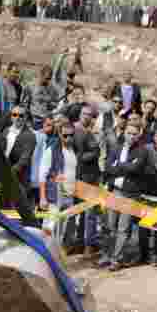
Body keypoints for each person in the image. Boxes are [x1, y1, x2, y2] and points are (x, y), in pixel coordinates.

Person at [102, 121, 154, 270]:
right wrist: (125, 165)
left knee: (123, 228)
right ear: (124, 132)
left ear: (138, 135)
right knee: (110, 226)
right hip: (114, 191)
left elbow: (135, 168)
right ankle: (108, 254)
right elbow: (107, 167)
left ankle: (116, 260)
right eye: (129, 133)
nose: (131, 136)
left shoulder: (143, 151)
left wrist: (118, 165)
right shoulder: (116, 147)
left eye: (134, 134)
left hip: (130, 194)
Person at [67, 103, 101, 255]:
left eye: (90, 114)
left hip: (89, 177)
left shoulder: (89, 133)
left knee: (89, 213)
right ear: (79, 115)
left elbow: (96, 152)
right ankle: (77, 242)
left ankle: (88, 244)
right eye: (84, 114)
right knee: (75, 212)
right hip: (72, 177)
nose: (87, 117)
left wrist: (79, 158)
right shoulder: (70, 129)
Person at [39, 118, 78, 247]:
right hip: (55, 196)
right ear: (60, 134)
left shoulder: (75, 150)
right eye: (65, 135)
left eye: (71, 135)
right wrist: (43, 198)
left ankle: (56, 259)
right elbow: (42, 175)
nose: (69, 138)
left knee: (62, 232)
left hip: (70, 197)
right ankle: (45, 256)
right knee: (49, 228)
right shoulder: (51, 150)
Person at [0, 104, 37, 209]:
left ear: (25, 118)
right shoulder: (5, 131)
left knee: (17, 211)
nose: (18, 118)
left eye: (21, 115)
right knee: (3, 208)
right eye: (15, 115)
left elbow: (24, 159)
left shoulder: (30, 136)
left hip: (19, 179)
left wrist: (9, 173)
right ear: (11, 116)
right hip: (4, 177)